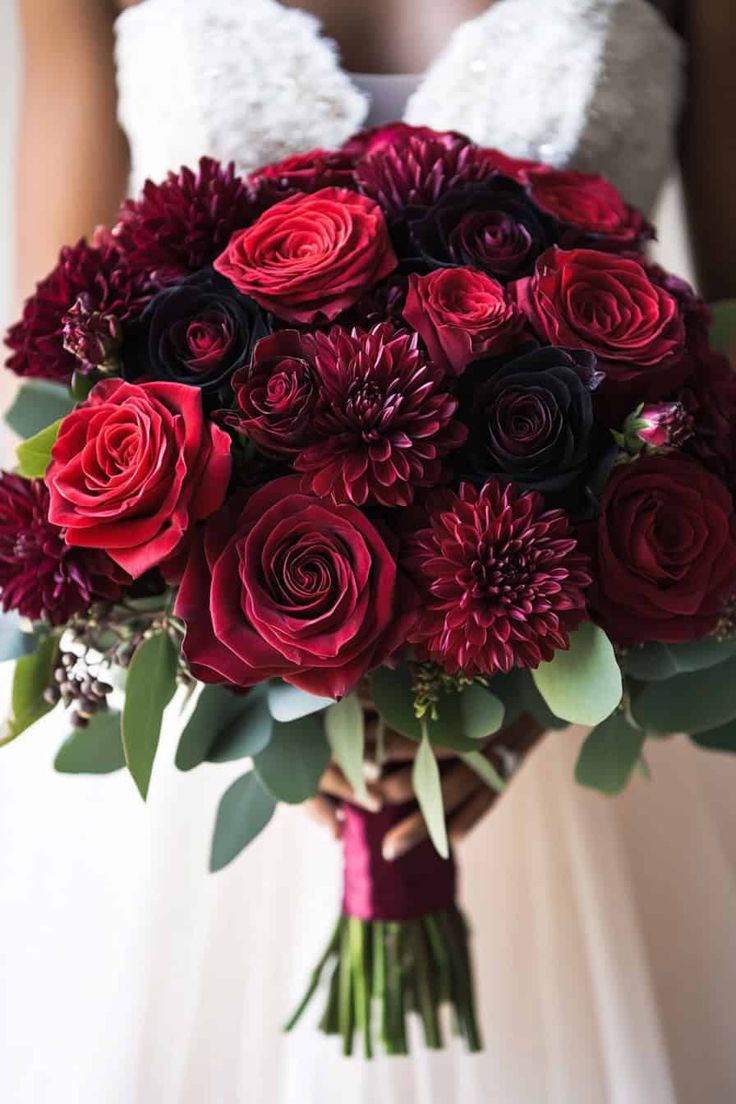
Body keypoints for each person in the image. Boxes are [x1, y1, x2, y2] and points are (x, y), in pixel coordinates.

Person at [3, 2, 736, 1101]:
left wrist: (537, 693)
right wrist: (262, 673)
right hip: (213, 739)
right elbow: (57, 379)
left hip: (581, 707)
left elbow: (730, 354)